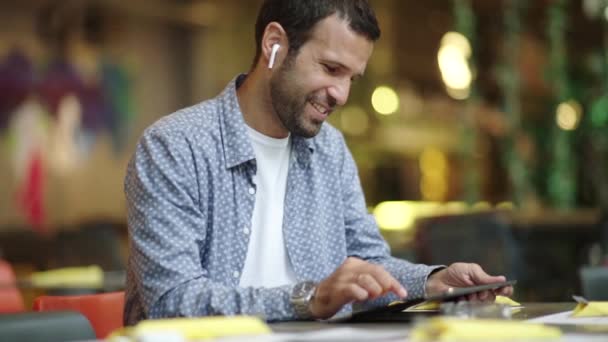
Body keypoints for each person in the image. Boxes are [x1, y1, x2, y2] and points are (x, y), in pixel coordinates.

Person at [123, 0, 512, 325]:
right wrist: (307, 298)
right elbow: (171, 302)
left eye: (352, 79)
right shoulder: (175, 146)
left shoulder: (330, 150)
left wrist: (434, 282)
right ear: (274, 44)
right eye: (331, 69)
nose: (341, 94)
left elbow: (368, 264)